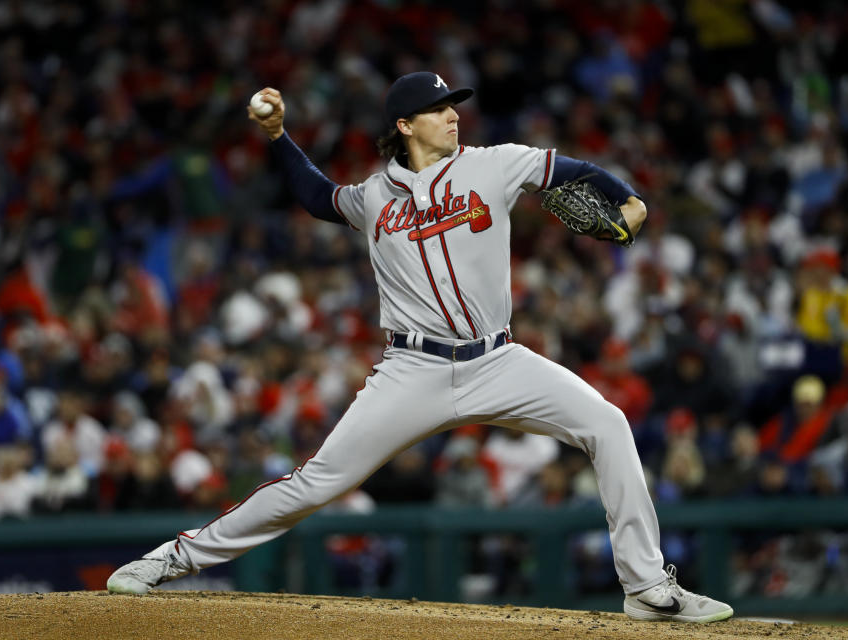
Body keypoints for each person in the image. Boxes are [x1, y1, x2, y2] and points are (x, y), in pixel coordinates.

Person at [106, 71, 733, 623]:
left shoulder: (495, 163)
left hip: (498, 359)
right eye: (438, 109)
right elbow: (314, 195)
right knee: (316, 484)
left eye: (454, 105)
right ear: (405, 125)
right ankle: (169, 560)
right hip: (412, 369)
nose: (453, 114)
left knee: (608, 423)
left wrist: (631, 201)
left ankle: (647, 586)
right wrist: (278, 137)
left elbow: (577, 172)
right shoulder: (373, 197)